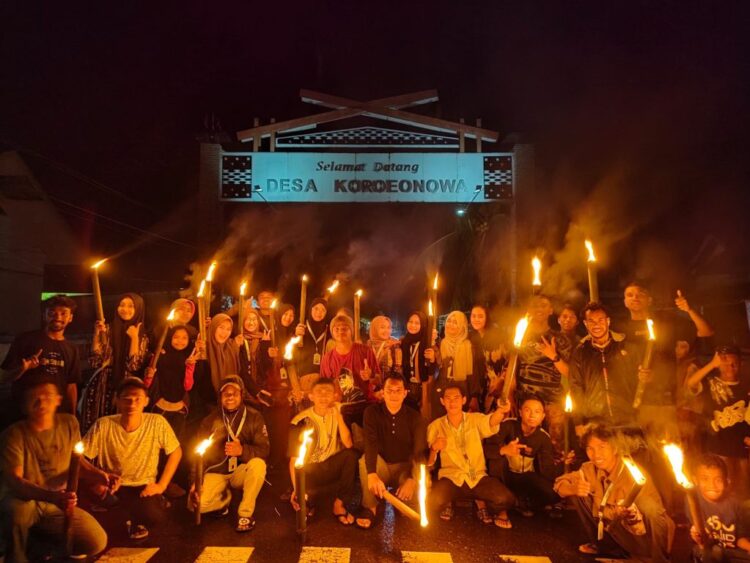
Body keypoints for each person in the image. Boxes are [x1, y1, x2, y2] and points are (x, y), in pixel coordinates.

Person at [1, 375, 109, 562]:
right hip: (25, 501)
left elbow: (77, 463)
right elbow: (16, 482)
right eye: (35, 397)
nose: (41, 401)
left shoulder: (69, 424)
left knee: (96, 541)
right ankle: (16, 556)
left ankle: (39, 546)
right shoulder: (13, 434)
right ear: (25, 403)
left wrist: (99, 475)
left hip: (56, 505)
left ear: (59, 399)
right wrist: (53, 497)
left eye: (47, 395)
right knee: (15, 513)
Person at [554, 425, 675, 561]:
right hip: (611, 530)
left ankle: (654, 559)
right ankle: (605, 547)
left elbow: (656, 516)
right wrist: (573, 489)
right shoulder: (589, 468)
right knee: (578, 491)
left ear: (615, 448)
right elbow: (559, 484)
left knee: (648, 505)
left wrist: (626, 514)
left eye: (602, 447)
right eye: (590, 448)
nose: (596, 454)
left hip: (639, 539)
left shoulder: (634, 474)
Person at [82, 376, 182, 540]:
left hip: (142, 486)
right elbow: (81, 457)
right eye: (127, 399)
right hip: (112, 484)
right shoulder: (104, 425)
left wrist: (161, 485)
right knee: (107, 520)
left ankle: (140, 510)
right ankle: (125, 516)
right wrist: (96, 479)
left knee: (153, 516)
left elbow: (176, 451)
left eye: (137, 399)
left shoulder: (156, 422)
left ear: (146, 401)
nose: (132, 404)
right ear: (117, 401)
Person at [427, 384, 514, 528]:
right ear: (442, 401)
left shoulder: (475, 419)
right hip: (451, 478)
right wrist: (434, 449)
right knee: (433, 502)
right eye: (448, 398)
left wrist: (501, 411)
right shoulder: (435, 426)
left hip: (477, 477)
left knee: (506, 499)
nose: (452, 402)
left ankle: (480, 500)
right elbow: (430, 463)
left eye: (456, 398)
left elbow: (491, 421)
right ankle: (449, 501)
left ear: (464, 400)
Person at [189, 376, 268, 532]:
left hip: (240, 471)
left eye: (234, 393)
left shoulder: (254, 417)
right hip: (217, 471)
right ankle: (224, 500)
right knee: (196, 505)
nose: (230, 397)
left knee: (259, 465)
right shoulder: (209, 421)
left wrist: (242, 451)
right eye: (226, 394)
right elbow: (197, 454)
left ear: (241, 395)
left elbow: (264, 450)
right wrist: (195, 482)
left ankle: (245, 514)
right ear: (220, 397)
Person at [355, 375, 427, 529]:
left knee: (409, 507)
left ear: (405, 393)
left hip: (404, 468)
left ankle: (401, 497)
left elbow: (420, 451)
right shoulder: (371, 412)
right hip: (383, 465)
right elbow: (370, 444)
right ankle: (370, 508)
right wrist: (372, 474)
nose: (394, 395)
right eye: (389, 390)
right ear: (383, 392)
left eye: (398, 390)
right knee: (363, 462)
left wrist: (412, 479)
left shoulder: (415, 417)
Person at [1, 295, 81, 425]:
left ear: (70, 318)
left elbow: (71, 385)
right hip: (24, 416)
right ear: (44, 315)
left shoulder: (72, 349)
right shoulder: (25, 340)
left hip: (55, 417)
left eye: (63, 313)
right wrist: (23, 369)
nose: (58, 317)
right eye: (52, 313)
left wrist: (72, 417)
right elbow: (4, 377)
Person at [288, 377, 358, 526]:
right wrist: (297, 489)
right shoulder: (300, 420)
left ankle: (339, 504)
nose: (324, 396)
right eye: (319, 392)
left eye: (328, 392)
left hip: (330, 466)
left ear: (334, 396)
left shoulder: (337, 413)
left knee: (350, 456)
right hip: (310, 470)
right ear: (311, 396)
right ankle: (308, 500)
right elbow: (294, 460)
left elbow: (348, 443)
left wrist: (338, 415)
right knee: (306, 505)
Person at [568, 302, 646, 429]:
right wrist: (579, 422)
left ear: (608, 321)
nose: (596, 324)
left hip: (627, 418)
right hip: (595, 421)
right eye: (591, 321)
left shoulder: (626, 347)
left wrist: (645, 377)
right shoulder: (580, 352)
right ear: (585, 324)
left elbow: (642, 378)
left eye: (600, 320)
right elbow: (576, 387)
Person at [484, 394, 561, 520]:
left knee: (553, 493)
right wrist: (504, 450)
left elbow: (547, 470)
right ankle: (501, 508)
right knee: (496, 461)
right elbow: (485, 450)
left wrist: (560, 467)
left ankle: (521, 504)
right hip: (504, 476)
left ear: (542, 416)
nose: (532, 415)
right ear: (520, 412)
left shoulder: (543, 437)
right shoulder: (508, 426)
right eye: (527, 410)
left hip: (525, 477)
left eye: (537, 412)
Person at [686, 346, 750, 496]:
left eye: (734, 363)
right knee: (721, 486)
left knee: (743, 488)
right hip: (717, 446)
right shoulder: (711, 383)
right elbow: (691, 383)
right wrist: (711, 365)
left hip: (741, 447)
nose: (730, 367)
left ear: (740, 364)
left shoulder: (746, 386)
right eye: (725, 363)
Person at [80, 293, 149, 433]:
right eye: (122, 305)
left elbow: (133, 365)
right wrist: (96, 335)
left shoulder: (142, 336)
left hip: (125, 387)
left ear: (139, 309)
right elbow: (96, 361)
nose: (125, 309)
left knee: (120, 428)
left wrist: (134, 338)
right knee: (97, 427)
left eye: (131, 306)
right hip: (102, 386)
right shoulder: (107, 329)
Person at [515, 295, 573, 453]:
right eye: (534, 305)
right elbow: (513, 367)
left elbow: (570, 373)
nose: (539, 308)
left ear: (551, 310)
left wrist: (553, 356)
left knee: (556, 446)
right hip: (525, 400)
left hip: (551, 401)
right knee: (527, 447)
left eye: (543, 305)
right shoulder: (520, 336)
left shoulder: (560, 339)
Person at [688, 454, 750, 562]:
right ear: (695, 480)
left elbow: (740, 537)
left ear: (727, 481)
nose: (712, 485)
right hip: (707, 550)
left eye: (718, 480)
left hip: (732, 552)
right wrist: (698, 536)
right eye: (705, 479)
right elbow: (700, 536)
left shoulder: (734, 504)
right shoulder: (693, 501)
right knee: (714, 552)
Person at [320, 314, 380, 427]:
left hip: (366, 404)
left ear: (351, 331)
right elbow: (324, 386)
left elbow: (379, 380)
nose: (340, 332)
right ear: (332, 332)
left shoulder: (365, 351)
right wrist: (333, 393)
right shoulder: (327, 358)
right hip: (342, 407)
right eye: (336, 329)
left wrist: (370, 376)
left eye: (344, 328)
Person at [143, 325, 198, 440]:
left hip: (179, 408)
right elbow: (147, 384)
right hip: (159, 405)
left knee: (175, 440)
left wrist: (190, 367)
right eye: (176, 337)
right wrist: (149, 375)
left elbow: (188, 386)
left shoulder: (188, 358)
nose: (180, 341)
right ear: (169, 337)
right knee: (156, 439)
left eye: (184, 338)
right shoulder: (159, 355)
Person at [430, 311, 481, 419]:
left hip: (461, 392)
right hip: (442, 392)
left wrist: (474, 396)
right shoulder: (441, 343)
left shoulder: (468, 346)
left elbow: (473, 373)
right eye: (449, 321)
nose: (450, 325)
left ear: (462, 326)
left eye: (455, 322)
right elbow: (435, 370)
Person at [398, 311, 435, 416]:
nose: (413, 325)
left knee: (421, 418)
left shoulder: (428, 343)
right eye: (410, 321)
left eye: (417, 323)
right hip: (406, 388)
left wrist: (432, 359)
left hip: (422, 389)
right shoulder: (404, 342)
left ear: (423, 325)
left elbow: (432, 370)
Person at [468, 304, 504, 411]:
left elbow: (508, 361)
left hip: (495, 385)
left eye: (480, 316)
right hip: (477, 385)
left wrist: (502, 381)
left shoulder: (497, 336)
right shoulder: (471, 337)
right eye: (473, 316)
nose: (476, 319)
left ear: (487, 318)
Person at [294, 298, 330, 377]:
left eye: (323, 310)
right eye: (316, 308)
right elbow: (290, 349)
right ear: (311, 309)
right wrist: (296, 336)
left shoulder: (329, 330)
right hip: (302, 375)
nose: (319, 312)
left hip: (322, 375)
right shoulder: (301, 327)